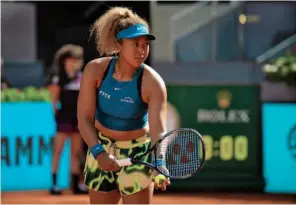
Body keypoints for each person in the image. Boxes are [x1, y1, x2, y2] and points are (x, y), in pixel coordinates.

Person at [78, 6, 170, 204]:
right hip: (100, 147)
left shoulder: (153, 83)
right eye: (135, 44)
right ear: (119, 45)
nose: (142, 50)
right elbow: (84, 119)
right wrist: (98, 153)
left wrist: (160, 162)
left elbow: (158, 131)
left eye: (145, 45)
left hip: (138, 153)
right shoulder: (95, 70)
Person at [47, 44, 88, 195]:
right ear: (64, 61)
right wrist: (57, 116)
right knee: (58, 151)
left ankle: (76, 184)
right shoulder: (58, 79)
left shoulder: (82, 77)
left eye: (75, 60)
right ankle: (55, 184)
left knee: (76, 153)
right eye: (70, 60)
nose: (73, 63)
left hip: (77, 120)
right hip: (63, 120)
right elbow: (53, 101)